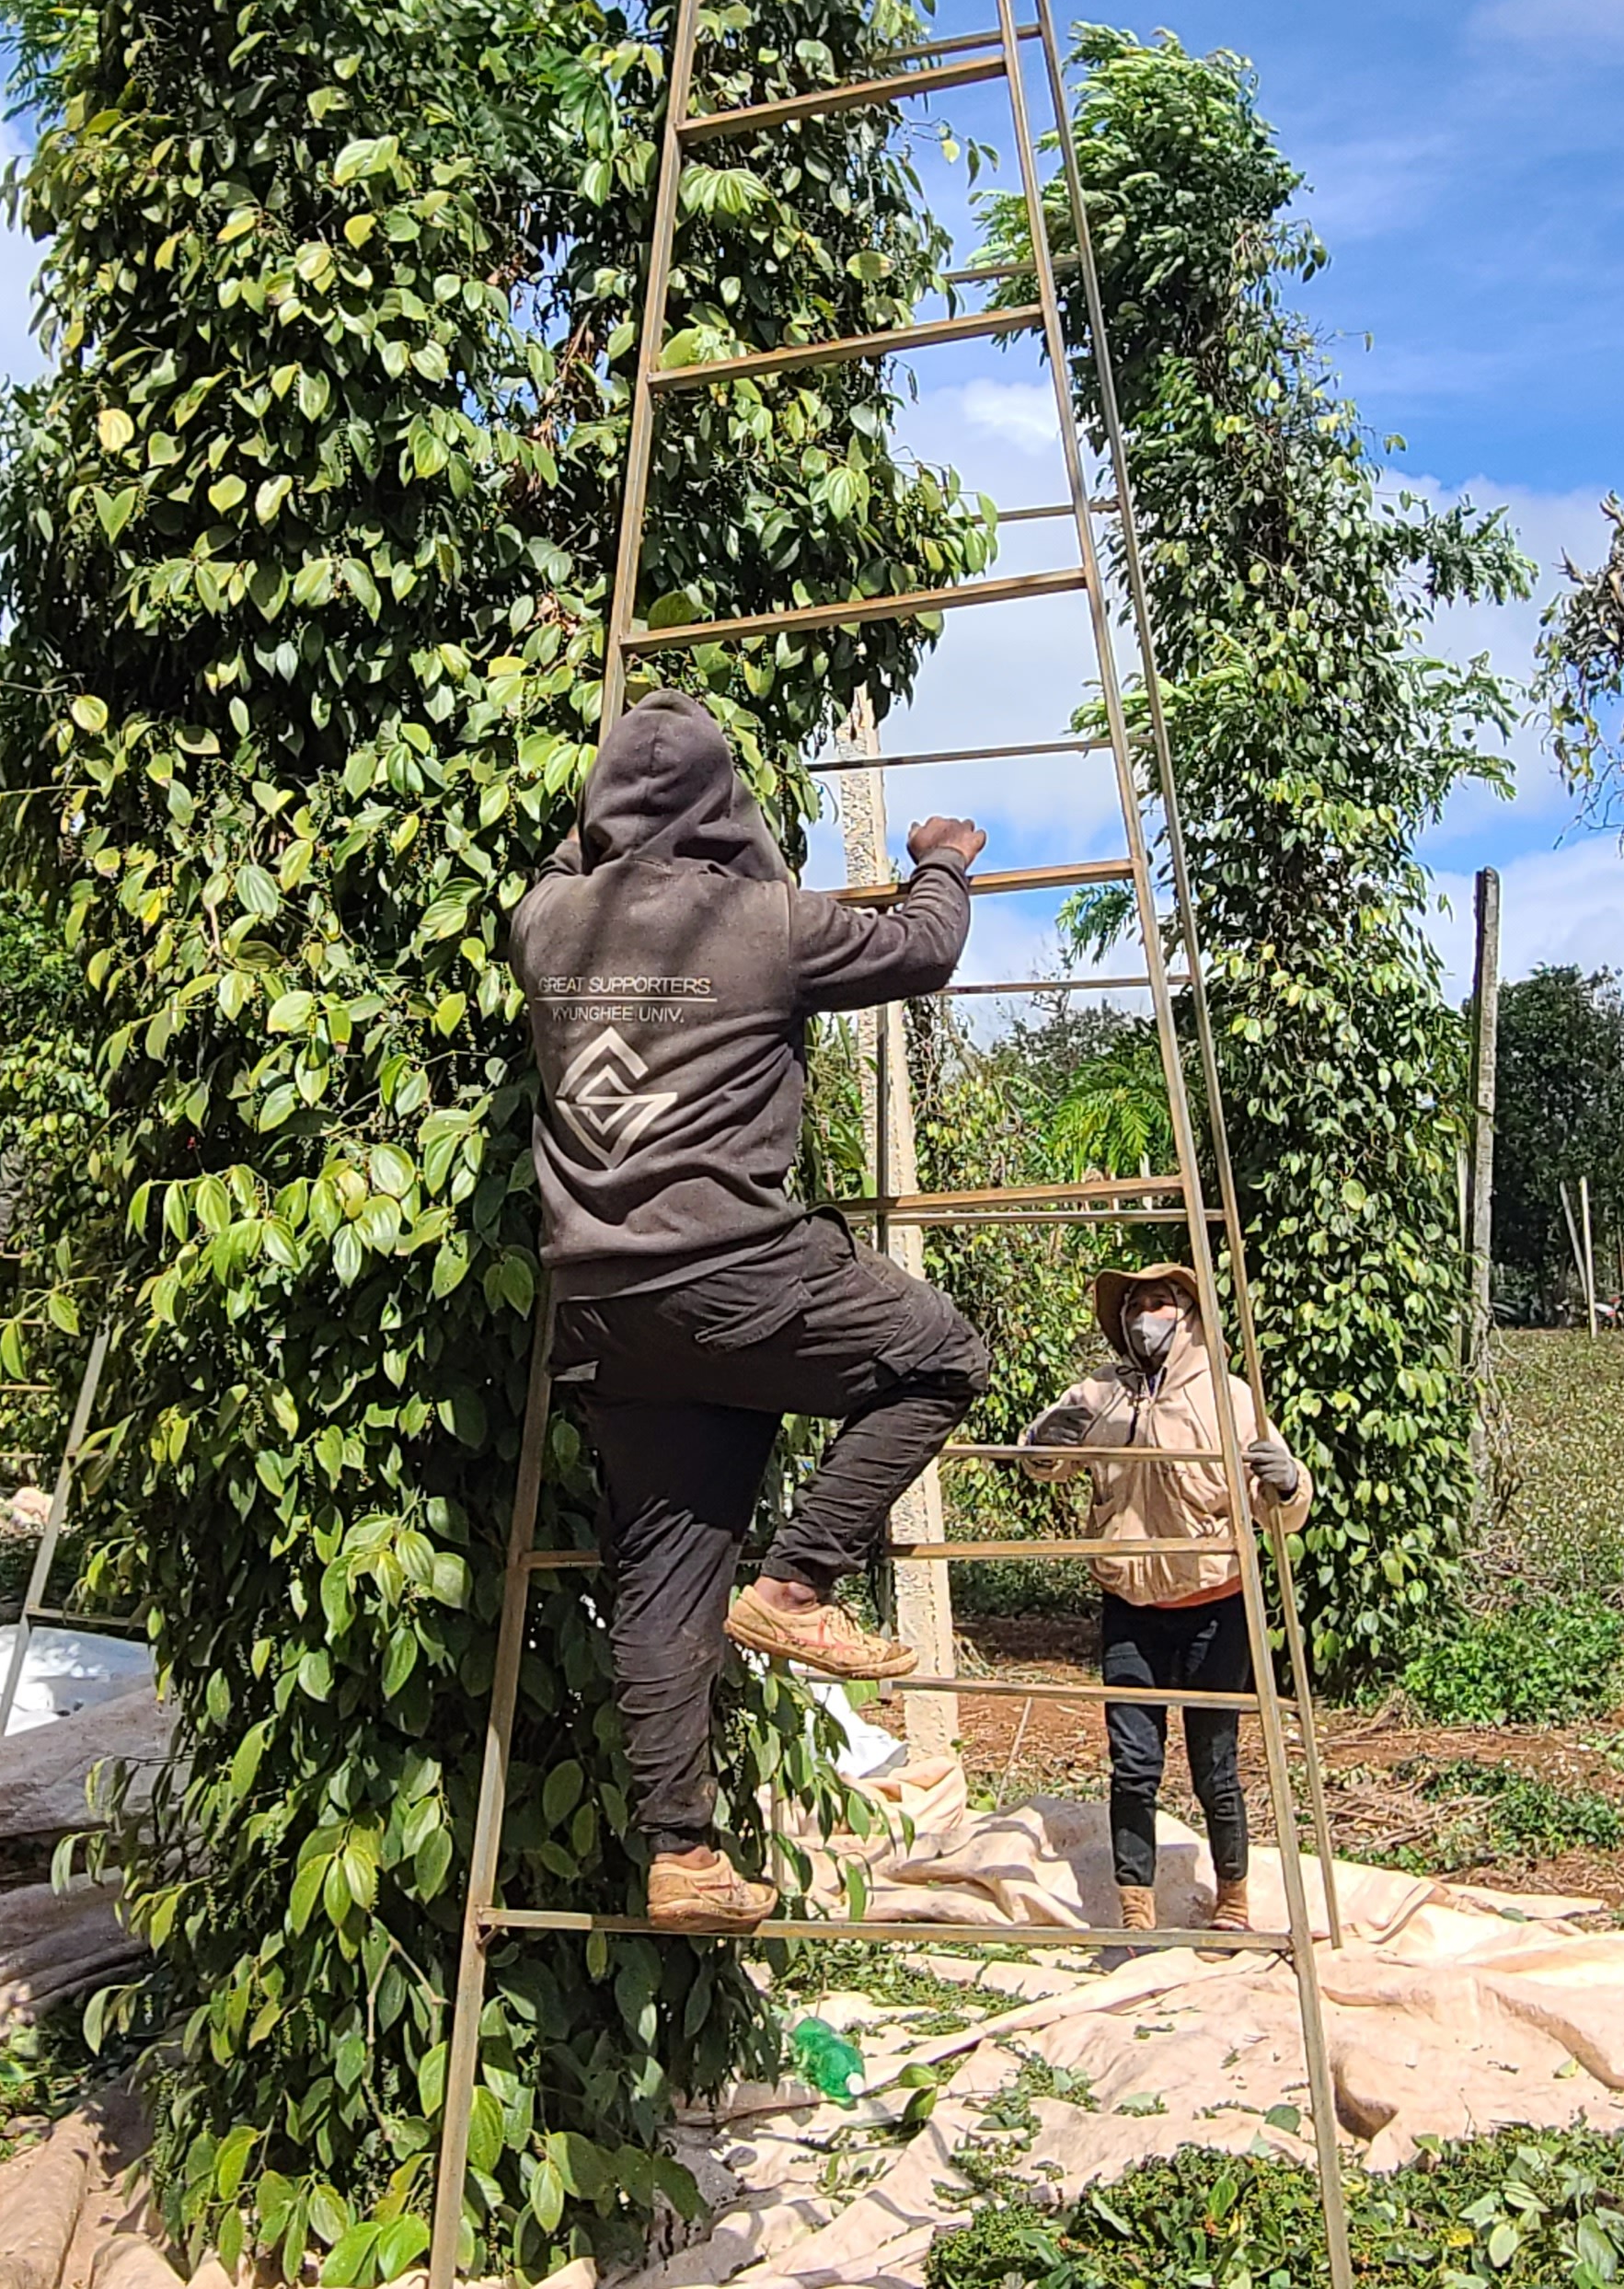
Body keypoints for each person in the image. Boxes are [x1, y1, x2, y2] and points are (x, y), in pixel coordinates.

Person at [509, 689, 994, 1934]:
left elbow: (579, 853)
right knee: (937, 1358)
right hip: (734, 1270)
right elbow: (924, 952)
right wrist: (940, 858)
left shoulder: (545, 921)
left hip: (603, 1309)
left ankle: (681, 1850)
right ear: (728, 803)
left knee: (664, 1574)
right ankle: (796, 1586)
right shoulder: (767, 923)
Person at [1019, 1261, 1309, 1935]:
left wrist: (1288, 1481)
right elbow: (1044, 1462)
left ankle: (1233, 1899)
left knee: (1215, 1764)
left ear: (1188, 1315)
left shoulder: (1232, 1399)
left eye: (1159, 1302)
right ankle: (1134, 1909)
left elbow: (1281, 1509)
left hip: (1216, 1602)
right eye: (1135, 1306)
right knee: (1134, 1764)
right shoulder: (1098, 1395)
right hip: (1129, 1606)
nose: (1145, 1316)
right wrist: (1040, 1447)